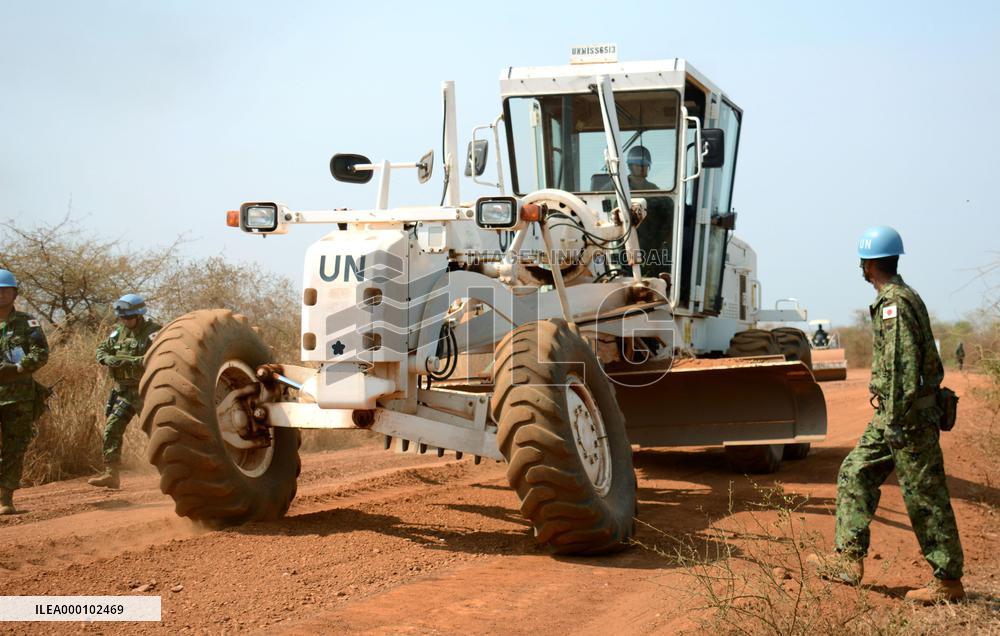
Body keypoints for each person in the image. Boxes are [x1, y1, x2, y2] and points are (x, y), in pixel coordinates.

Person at [808, 226, 965, 603]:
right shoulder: (899, 296)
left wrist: (895, 421)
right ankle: (848, 560)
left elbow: (901, 368)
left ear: (868, 265)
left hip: (906, 416)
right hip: (896, 415)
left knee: (925, 495)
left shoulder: (894, 302)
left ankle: (947, 580)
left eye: (862, 262)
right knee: (855, 471)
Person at [89, 294, 161, 489]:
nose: (126, 321)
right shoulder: (118, 333)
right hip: (123, 393)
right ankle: (111, 474)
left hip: (146, 393)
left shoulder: (154, 332)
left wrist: (132, 361)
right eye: (123, 318)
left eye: (129, 317)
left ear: (139, 315)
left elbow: (158, 356)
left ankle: (169, 472)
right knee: (112, 428)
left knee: (157, 432)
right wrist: (107, 359)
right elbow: (101, 350)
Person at [0, 269, 49, 515]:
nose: (0, 295)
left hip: (19, 397)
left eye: (5, 290)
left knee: (14, 448)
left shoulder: (27, 322)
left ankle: (5, 499)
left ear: (14, 293)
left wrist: (19, 367)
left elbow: (41, 353)